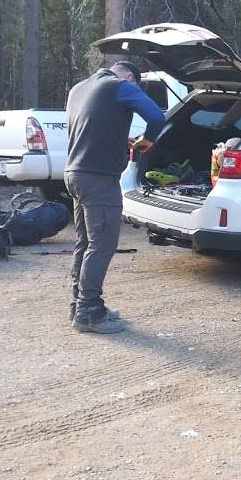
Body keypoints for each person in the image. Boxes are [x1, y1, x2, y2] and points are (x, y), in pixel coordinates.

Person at [65, 61, 165, 333]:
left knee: (85, 243)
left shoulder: (78, 88)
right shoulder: (119, 86)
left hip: (75, 174)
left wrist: (120, 142)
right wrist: (147, 141)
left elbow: (89, 129)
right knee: (102, 245)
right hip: (99, 179)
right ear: (132, 78)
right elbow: (157, 117)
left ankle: (79, 304)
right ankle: (89, 313)